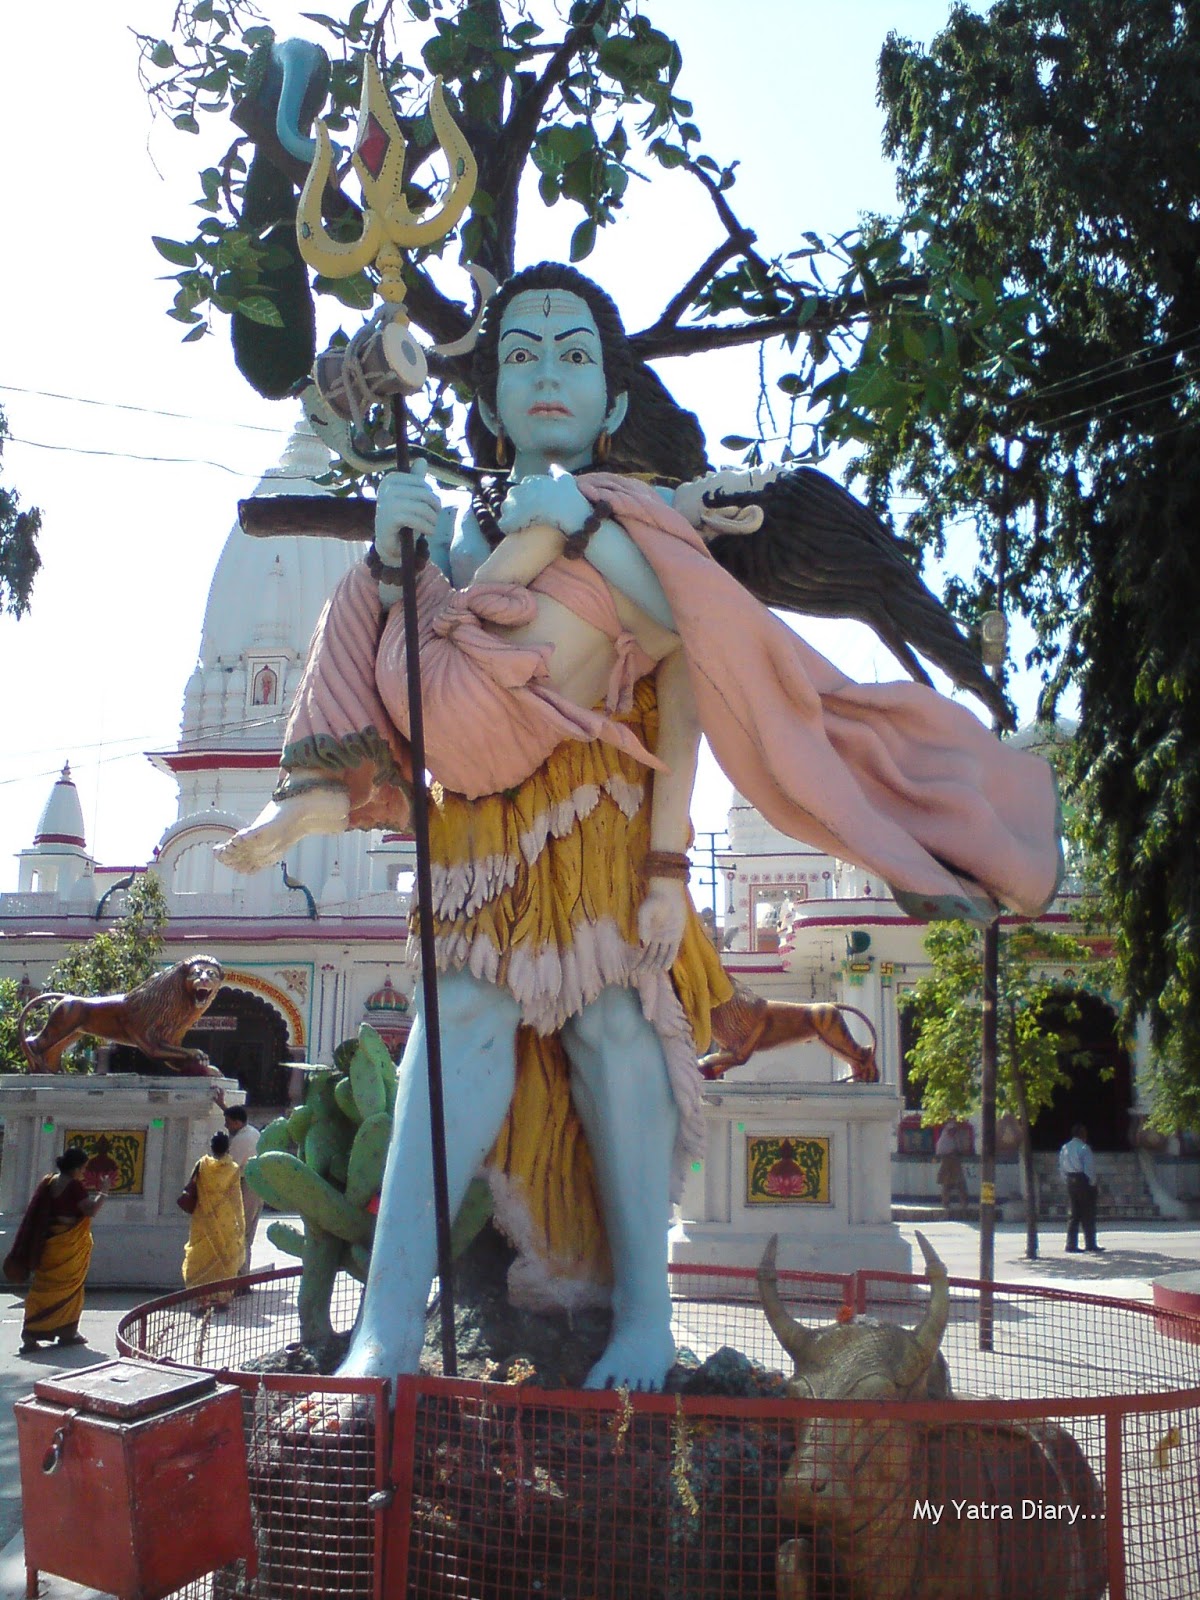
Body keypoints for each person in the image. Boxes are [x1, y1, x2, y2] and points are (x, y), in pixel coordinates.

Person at [218, 263, 1062, 1392]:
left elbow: (691, 663)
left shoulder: (644, 518)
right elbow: (405, 676)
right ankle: (388, 1325)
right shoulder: (455, 529)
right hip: (477, 838)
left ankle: (645, 1318)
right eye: (522, 355)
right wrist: (388, 556)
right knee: (453, 1032)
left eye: (576, 355)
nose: (549, 374)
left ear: (616, 399)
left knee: (617, 1033)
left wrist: (668, 863)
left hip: (605, 826)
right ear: (488, 395)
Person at [4, 1147, 112, 1354]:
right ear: (76, 1168)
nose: (84, 1172)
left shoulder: (50, 1181)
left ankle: (32, 1334)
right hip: (66, 1245)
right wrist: (104, 1191)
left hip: (50, 1243)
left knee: (42, 1288)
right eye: (83, 1168)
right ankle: (66, 1332)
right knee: (70, 1288)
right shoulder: (74, 1186)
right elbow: (90, 1210)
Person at [181, 1130, 245, 1307]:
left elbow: (192, 1187)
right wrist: (241, 1223)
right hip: (225, 1221)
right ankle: (222, 1298)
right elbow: (236, 1199)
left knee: (201, 1257)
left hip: (203, 1221)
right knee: (224, 1259)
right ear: (228, 1148)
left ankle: (202, 1299)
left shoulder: (202, 1165)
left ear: (211, 1147)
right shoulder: (233, 1169)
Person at [222, 1103, 262, 1278]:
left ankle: (241, 1279)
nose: (226, 1126)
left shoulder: (240, 1140)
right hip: (257, 1186)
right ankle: (242, 1277)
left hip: (247, 1187)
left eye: (228, 1122)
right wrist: (222, 1105)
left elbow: (230, 1168)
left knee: (241, 1234)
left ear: (237, 1123)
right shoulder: (252, 1132)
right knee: (246, 1235)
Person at [1058, 1123, 1102, 1253]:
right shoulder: (1084, 1148)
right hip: (1083, 1180)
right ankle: (1090, 1244)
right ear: (1083, 1134)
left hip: (1070, 1180)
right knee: (1088, 1213)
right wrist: (1093, 1183)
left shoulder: (1065, 1147)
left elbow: (1061, 1167)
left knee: (1074, 1213)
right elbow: (1089, 1169)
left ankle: (1071, 1244)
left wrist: (1067, 1180)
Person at [935, 1120, 969, 1215]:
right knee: (946, 1185)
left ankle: (964, 1203)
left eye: (954, 1130)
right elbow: (940, 1152)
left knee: (960, 1184)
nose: (953, 1132)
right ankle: (945, 1203)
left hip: (956, 1163)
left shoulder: (956, 1139)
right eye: (951, 1130)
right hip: (947, 1164)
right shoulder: (944, 1140)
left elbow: (961, 1149)